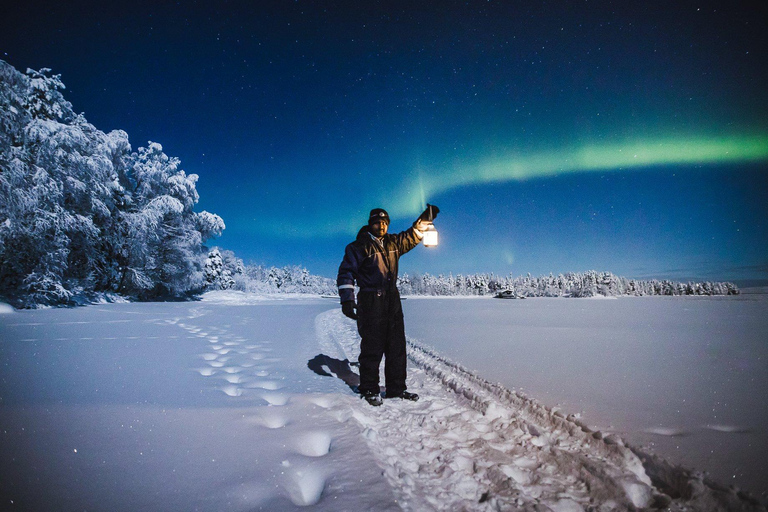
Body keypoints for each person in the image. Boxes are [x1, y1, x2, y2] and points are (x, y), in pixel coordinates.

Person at [336, 204, 439, 406]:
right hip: (370, 300)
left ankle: (396, 389)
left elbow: (411, 236)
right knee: (372, 347)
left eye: (384, 223)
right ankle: (369, 388)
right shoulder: (358, 247)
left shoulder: (393, 243)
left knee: (396, 348)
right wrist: (347, 300)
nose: (381, 226)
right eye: (377, 223)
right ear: (370, 224)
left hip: (392, 300)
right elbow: (345, 273)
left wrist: (423, 221)